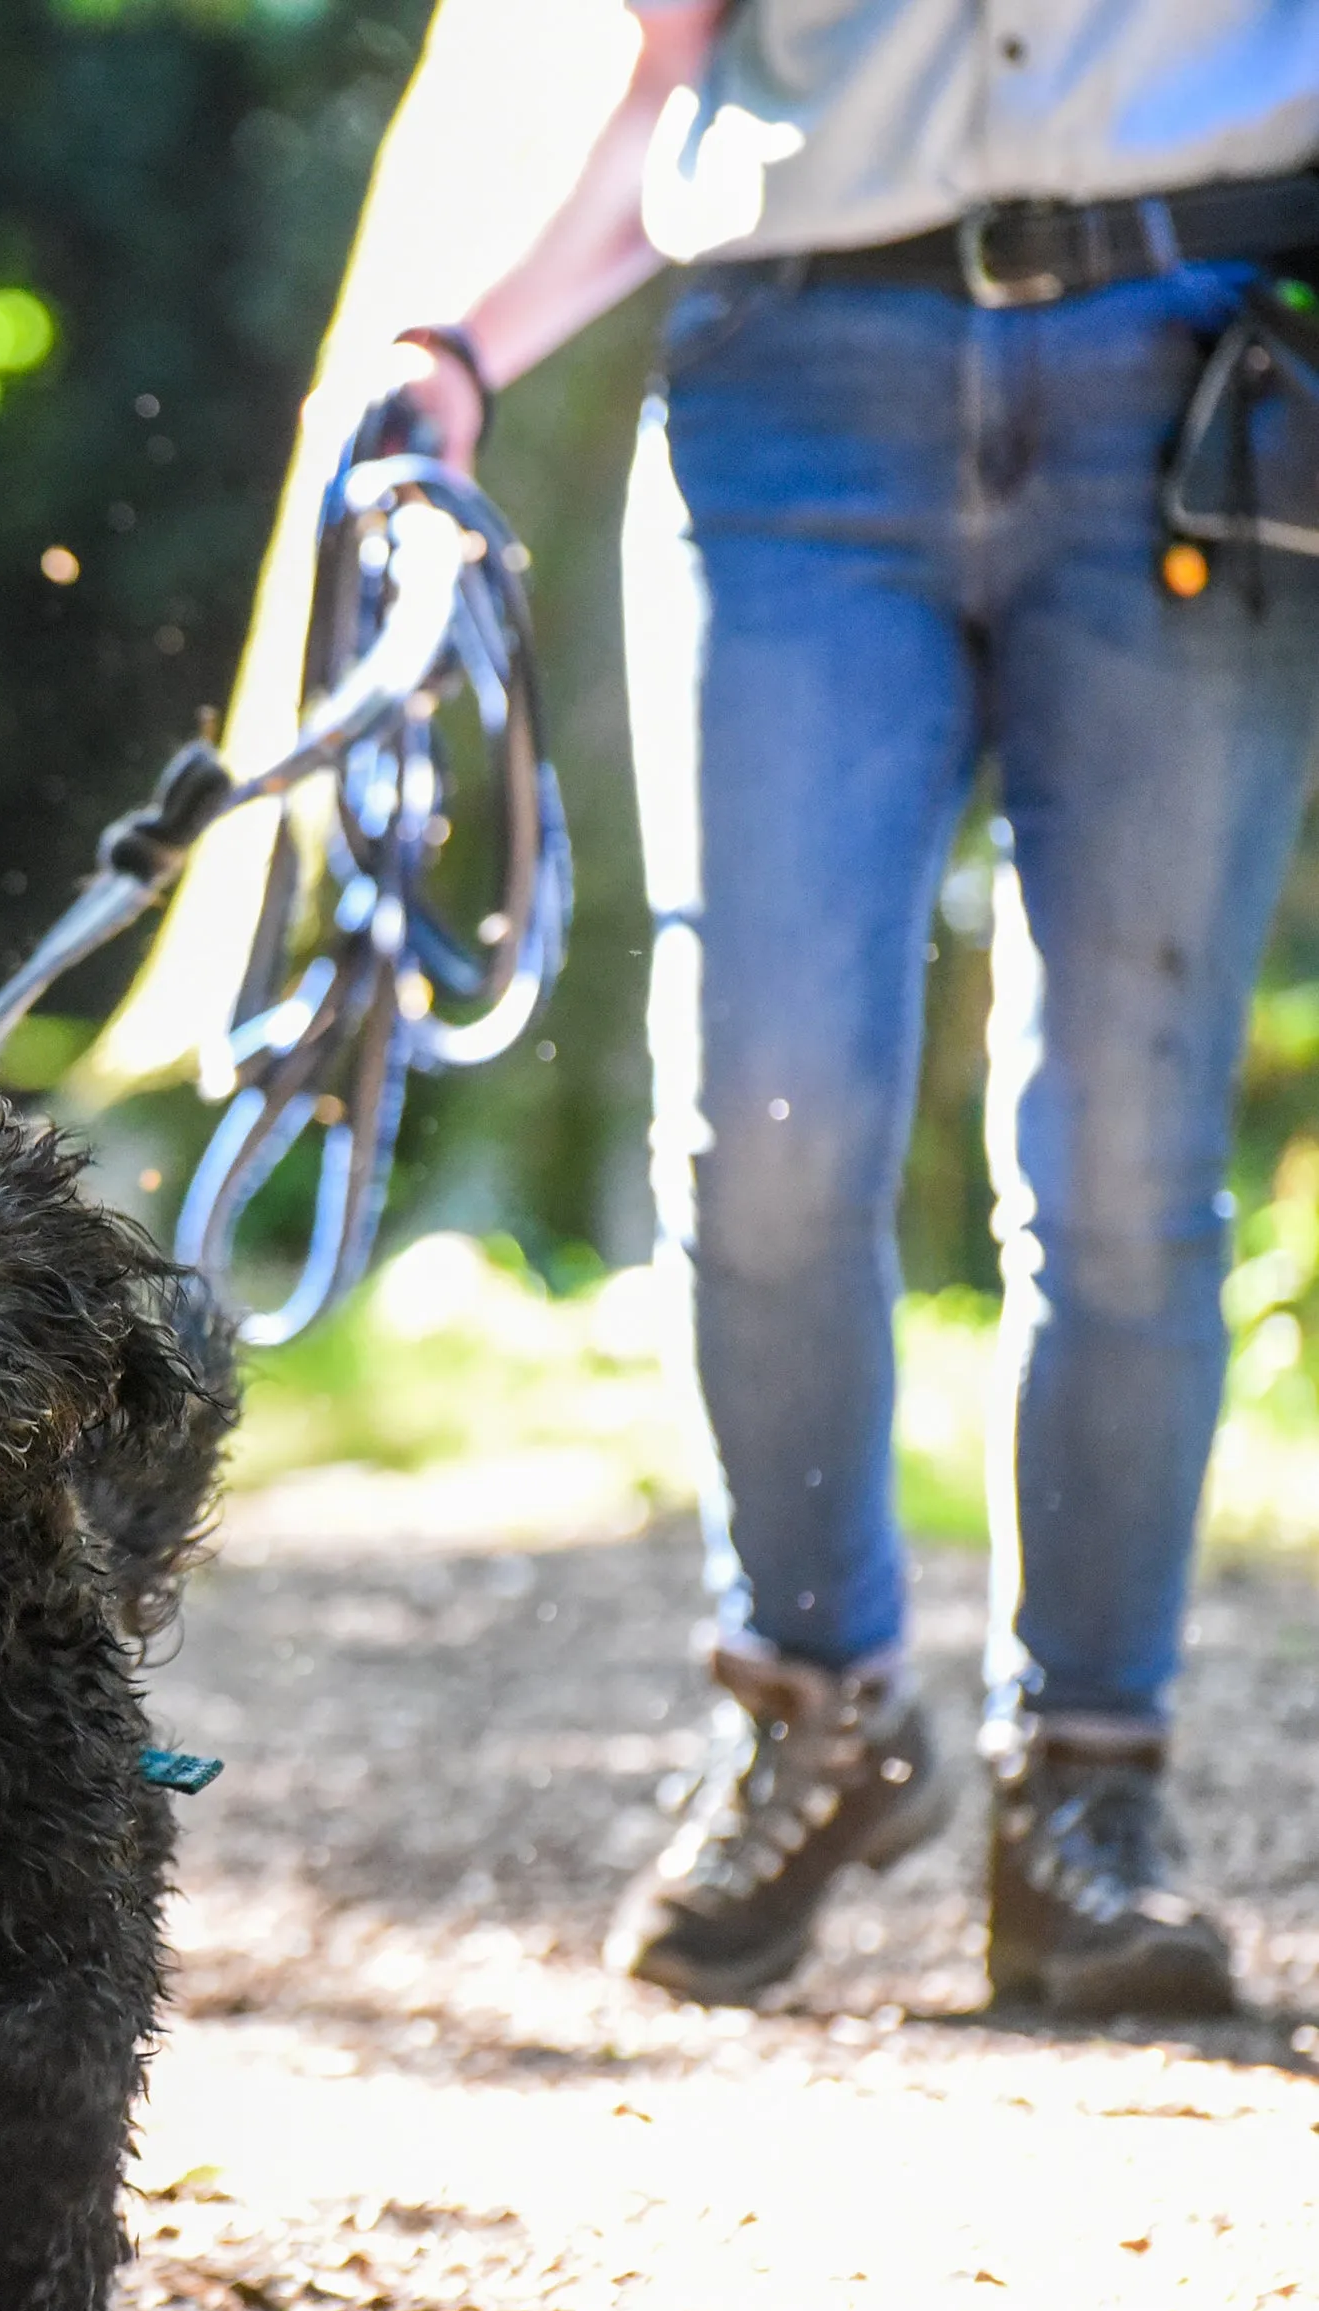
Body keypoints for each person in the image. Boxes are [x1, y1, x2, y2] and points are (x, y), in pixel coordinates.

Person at [395, 0, 1319, 2014]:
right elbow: (634, 55)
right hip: (791, 383)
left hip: (1200, 357)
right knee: (768, 1098)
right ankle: (808, 1705)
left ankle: (1086, 1796)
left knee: (1126, 1131)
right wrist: (447, 348)